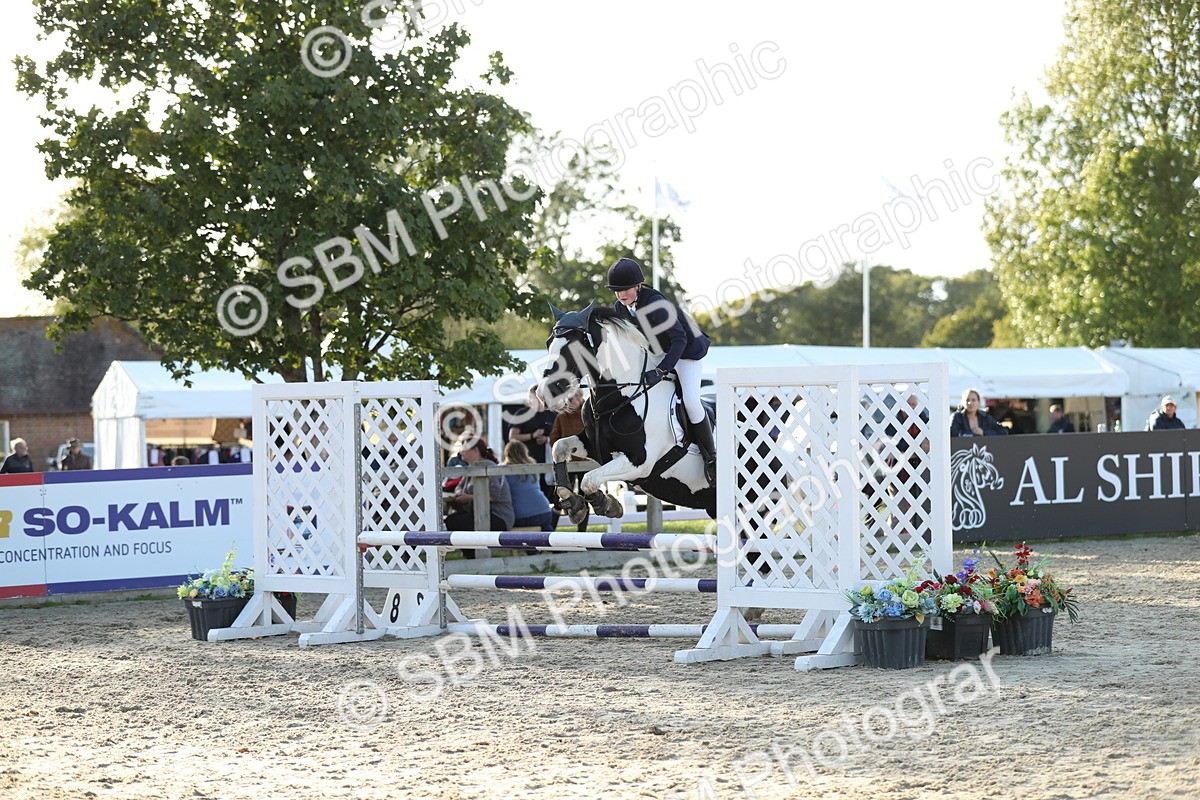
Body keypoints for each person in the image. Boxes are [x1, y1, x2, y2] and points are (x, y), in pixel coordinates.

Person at [606, 256, 715, 482]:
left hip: (686, 352)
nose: (621, 295)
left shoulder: (656, 303)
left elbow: (679, 338)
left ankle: (711, 458)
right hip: (659, 351)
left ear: (638, 285)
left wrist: (662, 370)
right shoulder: (620, 307)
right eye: (617, 291)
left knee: (692, 402)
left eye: (625, 289)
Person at [444, 437, 515, 536]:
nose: (461, 452)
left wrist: (468, 498)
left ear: (475, 450)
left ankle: (474, 551)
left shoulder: (489, 466)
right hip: (480, 514)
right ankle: (471, 551)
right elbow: (459, 486)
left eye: (464, 449)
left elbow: (494, 496)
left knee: (457, 522)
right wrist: (459, 493)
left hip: (498, 516)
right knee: (451, 519)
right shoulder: (471, 468)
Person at [502, 441, 555, 531]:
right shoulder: (532, 467)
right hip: (544, 510)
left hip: (521, 515)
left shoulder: (502, 470)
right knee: (546, 528)